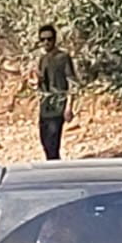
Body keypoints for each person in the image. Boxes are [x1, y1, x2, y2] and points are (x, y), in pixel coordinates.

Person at [35, 24, 76, 159]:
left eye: (49, 39)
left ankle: (54, 171)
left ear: (55, 39)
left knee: (53, 143)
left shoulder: (63, 57)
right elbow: (41, 84)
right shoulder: (42, 59)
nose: (46, 42)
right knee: (45, 142)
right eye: (43, 39)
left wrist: (69, 107)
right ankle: (52, 168)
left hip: (58, 106)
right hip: (45, 107)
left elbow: (72, 83)